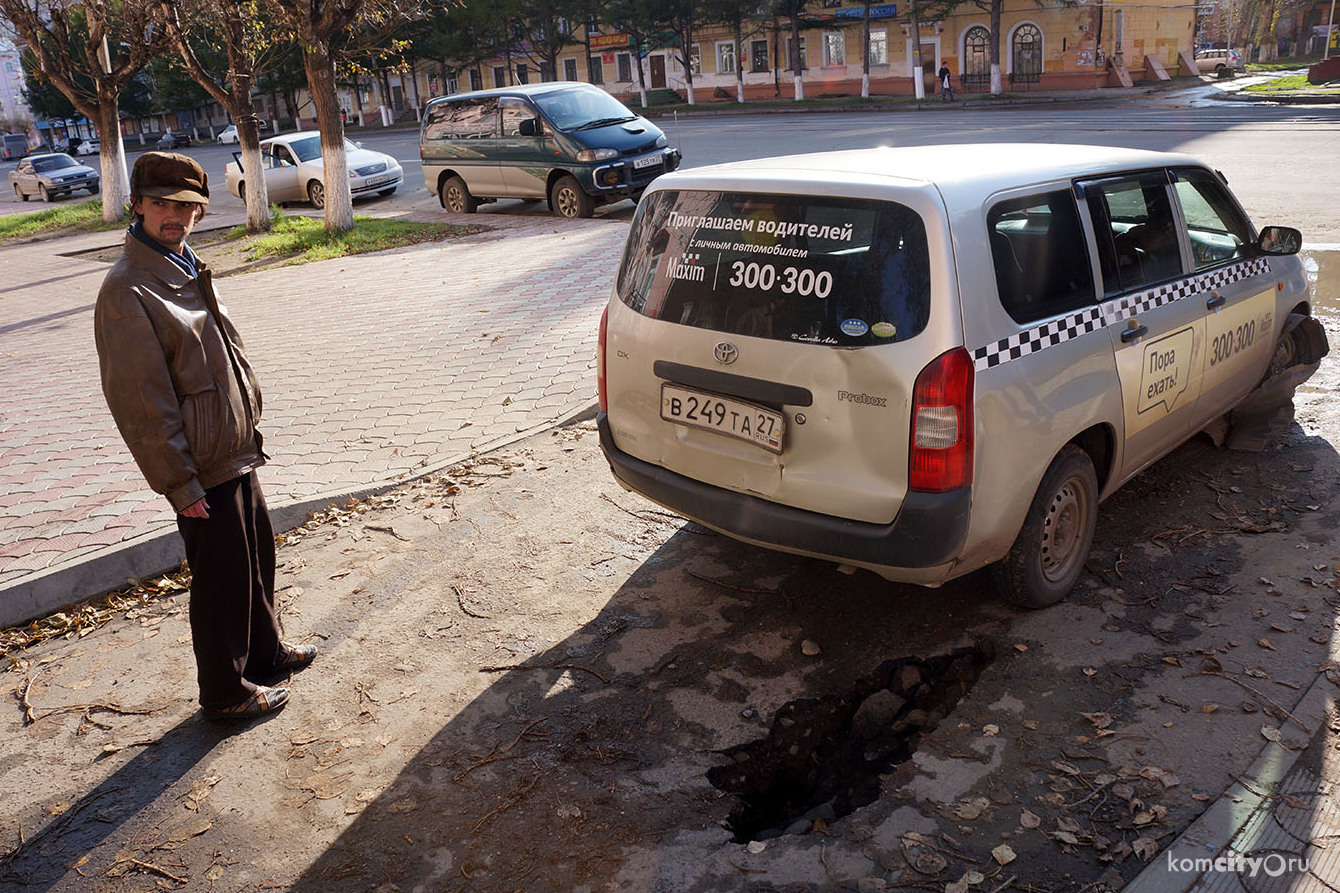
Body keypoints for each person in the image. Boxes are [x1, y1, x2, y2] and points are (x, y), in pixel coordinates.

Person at [94, 152, 316, 720]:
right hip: (198, 462)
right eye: (162, 204)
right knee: (220, 581)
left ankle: (264, 654)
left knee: (255, 556)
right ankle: (224, 691)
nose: (176, 216)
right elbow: (142, 403)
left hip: (231, 446)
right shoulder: (128, 290)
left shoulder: (184, 263)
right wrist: (179, 482)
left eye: (187, 206)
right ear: (137, 205)